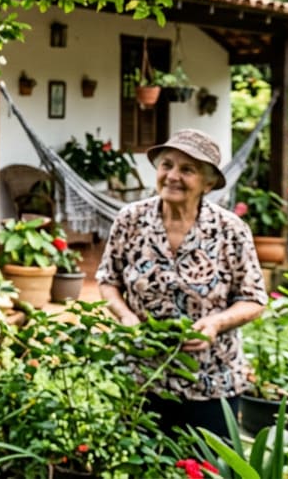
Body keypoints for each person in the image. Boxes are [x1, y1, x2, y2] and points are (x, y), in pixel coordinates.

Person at [96, 128, 267, 436]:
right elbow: (108, 280)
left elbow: (254, 299)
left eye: (187, 169)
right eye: (167, 165)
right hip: (142, 376)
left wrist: (216, 323)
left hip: (211, 380)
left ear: (209, 182)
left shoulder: (230, 230)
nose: (173, 175)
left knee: (208, 470)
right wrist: (126, 316)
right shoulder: (130, 220)